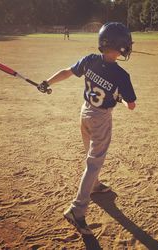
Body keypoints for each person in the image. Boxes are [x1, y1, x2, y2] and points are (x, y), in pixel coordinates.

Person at [37, 22, 137, 235]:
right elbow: (131, 105)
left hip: (85, 113)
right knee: (94, 162)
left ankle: (95, 185)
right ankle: (77, 209)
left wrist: (47, 82)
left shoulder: (90, 60)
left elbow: (67, 72)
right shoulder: (121, 75)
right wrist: (119, 97)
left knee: (90, 155)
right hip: (101, 118)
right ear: (120, 47)